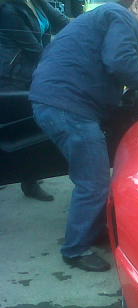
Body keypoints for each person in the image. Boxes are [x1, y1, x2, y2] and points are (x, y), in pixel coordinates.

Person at [29, 0, 138, 272]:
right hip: (69, 107)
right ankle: (75, 249)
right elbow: (119, 60)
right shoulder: (120, 16)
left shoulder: (102, 17)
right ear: (137, 6)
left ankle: (92, 230)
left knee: (91, 177)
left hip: (55, 100)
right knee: (94, 182)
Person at [0, 0, 69, 201]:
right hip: (11, 78)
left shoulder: (37, 3)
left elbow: (64, 23)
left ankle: (29, 182)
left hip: (31, 75)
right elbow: (35, 50)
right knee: (17, 131)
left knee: (31, 131)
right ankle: (26, 180)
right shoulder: (8, 9)